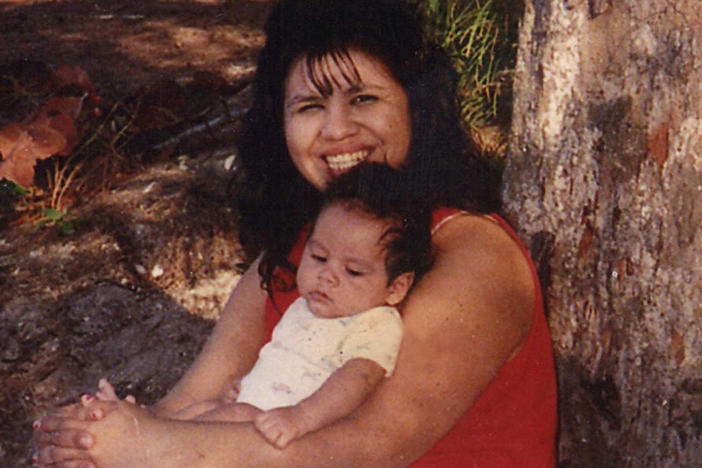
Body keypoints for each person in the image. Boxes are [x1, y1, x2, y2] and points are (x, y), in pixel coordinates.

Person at [34, 0, 557, 467]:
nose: (335, 130)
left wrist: (150, 447)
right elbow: (181, 408)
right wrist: (92, 439)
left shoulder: (473, 252)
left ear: (417, 108)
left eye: (363, 100)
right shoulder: (300, 252)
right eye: (309, 106)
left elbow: (373, 444)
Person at [95, 165, 433, 450]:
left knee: (215, 424)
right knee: (203, 411)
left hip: (292, 435)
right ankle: (136, 423)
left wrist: (301, 417)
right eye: (318, 257)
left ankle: (136, 442)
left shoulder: (375, 323)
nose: (327, 277)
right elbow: (284, 361)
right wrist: (247, 383)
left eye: (353, 271)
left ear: (396, 287)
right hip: (256, 410)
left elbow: (357, 380)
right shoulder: (308, 307)